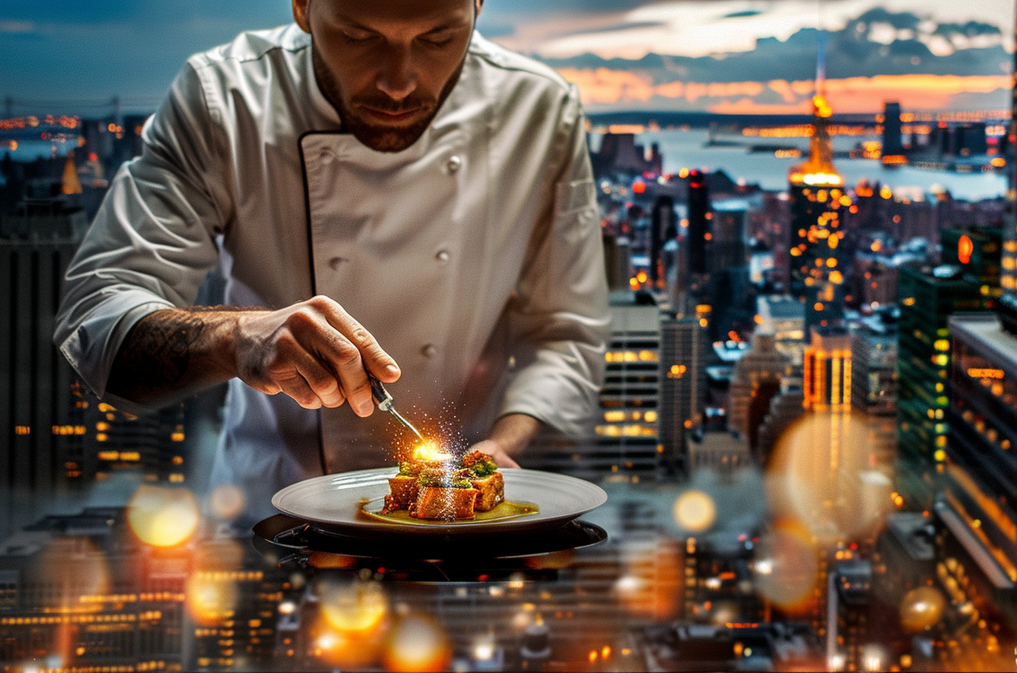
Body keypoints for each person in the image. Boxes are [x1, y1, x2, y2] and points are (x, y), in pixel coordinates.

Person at [53, 0, 610, 525]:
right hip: (268, 527)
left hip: (463, 552)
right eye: (357, 36)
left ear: (480, 7)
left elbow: (566, 336)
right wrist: (238, 338)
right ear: (302, 7)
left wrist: (503, 448)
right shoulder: (224, 98)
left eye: (439, 37)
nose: (398, 83)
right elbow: (97, 322)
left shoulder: (540, 110)